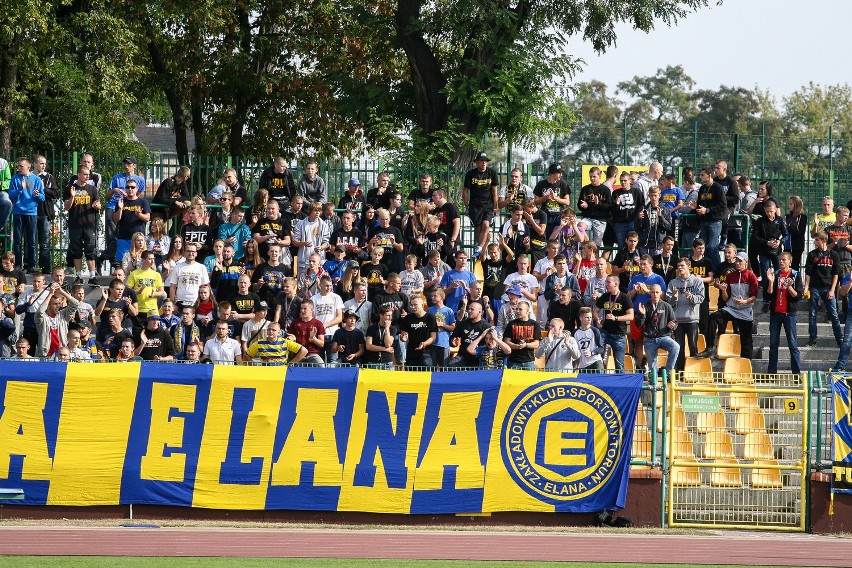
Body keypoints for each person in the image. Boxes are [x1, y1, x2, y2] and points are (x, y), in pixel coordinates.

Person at [698, 252, 758, 360]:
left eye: (740, 261)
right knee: (713, 317)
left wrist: (745, 301)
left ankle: (746, 363)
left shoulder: (751, 276)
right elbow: (725, 298)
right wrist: (724, 290)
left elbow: (754, 296)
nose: (738, 263)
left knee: (746, 341)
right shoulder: (730, 276)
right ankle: (710, 347)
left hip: (745, 310)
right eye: (737, 261)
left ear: (745, 262)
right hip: (732, 308)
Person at [803, 232, 843, 348]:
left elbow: (836, 274)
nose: (815, 242)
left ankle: (839, 339)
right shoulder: (812, 255)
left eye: (817, 240)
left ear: (823, 241)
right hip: (815, 287)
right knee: (812, 314)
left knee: (834, 314)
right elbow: (808, 273)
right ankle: (812, 340)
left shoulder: (833, 255)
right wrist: (806, 287)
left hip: (828, 287)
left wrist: (832, 290)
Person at [766, 252, 803, 374]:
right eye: (780, 260)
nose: (781, 262)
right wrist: (771, 282)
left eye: (783, 260)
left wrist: (789, 287)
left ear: (789, 261)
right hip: (775, 313)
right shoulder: (775, 274)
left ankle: (796, 375)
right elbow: (768, 295)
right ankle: (771, 374)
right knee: (773, 345)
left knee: (793, 345)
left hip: (789, 314)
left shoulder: (795, 274)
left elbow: (798, 296)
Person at [104, 157, 145, 268]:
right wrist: (114, 190)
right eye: (125, 164)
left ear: (134, 166)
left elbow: (139, 195)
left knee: (127, 235)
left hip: (128, 207)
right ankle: (111, 258)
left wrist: (130, 197)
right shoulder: (116, 178)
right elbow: (107, 197)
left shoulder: (140, 180)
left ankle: (107, 256)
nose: (126, 166)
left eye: (129, 164)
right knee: (112, 236)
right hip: (113, 207)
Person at [665, 258, 705, 371]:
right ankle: (680, 372)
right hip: (678, 320)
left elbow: (701, 298)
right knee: (679, 348)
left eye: (682, 265)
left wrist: (691, 297)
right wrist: (674, 298)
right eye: (678, 266)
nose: (680, 268)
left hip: (692, 320)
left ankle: (692, 372)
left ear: (689, 267)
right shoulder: (673, 283)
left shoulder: (697, 281)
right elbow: (669, 302)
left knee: (693, 347)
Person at [626, 255, 666, 366]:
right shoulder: (636, 278)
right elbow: (628, 296)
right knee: (638, 341)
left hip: (652, 314)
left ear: (651, 264)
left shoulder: (658, 278)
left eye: (645, 264)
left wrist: (647, 290)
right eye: (641, 264)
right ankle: (639, 366)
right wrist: (634, 290)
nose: (642, 266)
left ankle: (650, 366)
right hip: (637, 313)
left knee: (651, 342)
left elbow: (662, 297)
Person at [9, 157, 45, 272]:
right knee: (18, 241)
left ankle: (32, 265)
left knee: (31, 241)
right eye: (18, 166)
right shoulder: (15, 178)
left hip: (31, 212)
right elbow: (10, 195)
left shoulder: (36, 180)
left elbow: (42, 197)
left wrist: (37, 195)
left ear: (28, 167)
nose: (19, 168)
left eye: (21, 166)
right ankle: (19, 264)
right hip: (18, 211)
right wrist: (20, 188)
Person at [752, 198, 788, 312]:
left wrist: (779, 242)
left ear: (775, 210)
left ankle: (779, 298)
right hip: (764, 251)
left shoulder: (780, 220)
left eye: (771, 211)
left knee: (779, 274)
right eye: (767, 211)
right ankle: (766, 301)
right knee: (766, 274)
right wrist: (766, 242)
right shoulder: (760, 221)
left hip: (777, 252)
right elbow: (755, 237)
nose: (769, 214)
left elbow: (786, 235)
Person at [635, 284, 679, 376]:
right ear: (650, 293)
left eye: (657, 292)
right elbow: (639, 325)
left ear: (661, 293)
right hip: (649, 339)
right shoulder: (645, 306)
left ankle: (667, 372)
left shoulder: (666, 306)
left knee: (676, 347)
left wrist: (672, 325)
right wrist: (642, 315)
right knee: (652, 370)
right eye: (653, 292)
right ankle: (653, 383)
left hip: (664, 337)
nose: (655, 294)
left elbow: (674, 322)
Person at [463, 152, 500, 259]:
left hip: (488, 205)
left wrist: (495, 207)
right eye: (482, 161)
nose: (484, 163)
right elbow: (465, 191)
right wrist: (467, 207)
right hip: (475, 205)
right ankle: (478, 250)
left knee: (486, 225)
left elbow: (494, 191)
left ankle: (478, 248)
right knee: (478, 228)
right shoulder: (471, 174)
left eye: (485, 161)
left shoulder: (492, 173)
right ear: (477, 162)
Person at [595, 274, 633, 371]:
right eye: (606, 282)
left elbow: (631, 316)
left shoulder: (625, 298)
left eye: (608, 282)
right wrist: (597, 319)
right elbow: (595, 311)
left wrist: (616, 318)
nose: (606, 284)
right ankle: (599, 379)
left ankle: (619, 383)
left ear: (616, 284)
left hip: (619, 334)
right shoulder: (605, 296)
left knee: (619, 363)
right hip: (605, 331)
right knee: (598, 357)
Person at [112, 178, 151, 264]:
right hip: (123, 238)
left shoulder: (143, 202)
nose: (130, 189)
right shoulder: (121, 202)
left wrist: (139, 215)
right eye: (128, 187)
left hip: (138, 239)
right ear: (125, 188)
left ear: (136, 189)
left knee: (139, 262)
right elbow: (116, 219)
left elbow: (148, 218)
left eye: (132, 187)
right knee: (122, 263)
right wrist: (120, 209)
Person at [35, 283, 79, 358]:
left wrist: (62, 292)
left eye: (59, 303)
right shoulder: (42, 318)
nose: (58, 306)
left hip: (61, 355)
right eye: (55, 304)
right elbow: (40, 312)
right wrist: (50, 294)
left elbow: (75, 304)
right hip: (45, 355)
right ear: (48, 305)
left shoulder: (63, 315)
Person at [693, 167, 727, 262]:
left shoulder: (717, 188)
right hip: (704, 221)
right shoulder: (702, 188)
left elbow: (722, 205)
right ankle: (709, 268)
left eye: (703, 175)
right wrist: (695, 207)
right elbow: (700, 205)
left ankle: (717, 269)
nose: (701, 177)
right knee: (704, 248)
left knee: (712, 247)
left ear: (710, 175)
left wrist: (707, 210)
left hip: (714, 221)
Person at [32, 155, 58, 274]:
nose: (43, 166)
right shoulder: (29, 177)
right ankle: (29, 265)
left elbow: (54, 194)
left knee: (45, 242)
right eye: (41, 163)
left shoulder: (48, 177)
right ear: (34, 164)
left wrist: (44, 189)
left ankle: (45, 267)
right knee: (30, 240)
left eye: (44, 164)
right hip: (30, 212)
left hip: (44, 212)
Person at [311, 274, 344, 363]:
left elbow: (339, 317)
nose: (329, 288)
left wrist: (325, 325)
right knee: (319, 362)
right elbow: (312, 318)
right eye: (326, 285)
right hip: (319, 336)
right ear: (320, 285)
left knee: (332, 362)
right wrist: (319, 328)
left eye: (330, 285)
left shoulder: (336, 297)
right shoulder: (314, 299)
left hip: (333, 334)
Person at [577, 166, 612, 247]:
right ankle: (589, 244)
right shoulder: (585, 189)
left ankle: (593, 251)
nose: (592, 178)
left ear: (599, 176)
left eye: (594, 176)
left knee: (596, 247)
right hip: (588, 218)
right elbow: (579, 204)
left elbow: (609, 207)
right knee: (580, 226)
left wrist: (599, 203)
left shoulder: (605, 190)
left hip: (600, 220)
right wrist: (583, 206)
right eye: (590, 176)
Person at [293, 202, 331, 275]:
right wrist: (303, 243)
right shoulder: (300, 224)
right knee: (303, 283)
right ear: (310, 211)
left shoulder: (324, 225)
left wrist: (321, 247)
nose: (317, 213)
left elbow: (326, 242)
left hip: (318, 261)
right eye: (315, 210)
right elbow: (295, 242)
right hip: (304, 260)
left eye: (319, 211)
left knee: (317, 283)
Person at [827, 206, 852, 317]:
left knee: (846, 288)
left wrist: (846, 246)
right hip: (832, 262)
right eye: (844, 215)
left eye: (847, 216)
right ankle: (832, 313)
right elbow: (824, 248)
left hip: (846, 262)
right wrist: (834, 243)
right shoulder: (829, 229)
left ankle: (846, 313)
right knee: (832, 289)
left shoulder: (850, 230)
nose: (846, 217)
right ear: (837, 215)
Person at [398, 295, 437, 368]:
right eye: (411, 305)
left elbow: (433, 337)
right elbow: (403, 334)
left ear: (422, 305)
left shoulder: (430, 317)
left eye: (415, 305)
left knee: (427, 374)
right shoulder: (408, 318)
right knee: (411, 376)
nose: (413, 307)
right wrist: (403, 338)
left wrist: (424, 343)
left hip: (426, 352)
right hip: (411, 352)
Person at [635, 186, 672, 257]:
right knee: (645, 265)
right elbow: (637, 227)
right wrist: (639, 219)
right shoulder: (644, 209)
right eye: (651, 195)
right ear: (648, 195)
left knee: (657, 265)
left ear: (659, 195)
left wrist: (661, 217)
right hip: (645, 243)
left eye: (655, 195)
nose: (653, 198)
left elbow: (668, 227)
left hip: (659, 243)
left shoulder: (665, 209)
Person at [502, 301, 541, 370]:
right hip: (513, 361)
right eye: (517, 309)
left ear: (527, 311)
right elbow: (506, 341)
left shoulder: (535, 324)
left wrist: (525, 345)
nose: (517, 311)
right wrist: (516, 346)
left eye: (520, 309)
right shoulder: (511, 324)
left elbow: (536, 344)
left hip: (529, 361)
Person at [611, 175, 644, 251]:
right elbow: (612, 210)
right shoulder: (615, 193)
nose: (623, 182)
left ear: (630, 181)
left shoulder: (636, 192)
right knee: (621, 247)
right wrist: (616, 204)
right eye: (621, 181)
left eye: (625, 180)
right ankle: (622, 262)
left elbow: (642, 204)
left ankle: (634, 261)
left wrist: (639, 213)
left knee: (634, 245)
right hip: (620, 224)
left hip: (633, 222)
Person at [287, 300, 326, 364]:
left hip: (312, 354)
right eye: (301, 308)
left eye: (305, 309)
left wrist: (313, 338)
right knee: (291, 369)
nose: (302, 311)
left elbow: (321, 344)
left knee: (321, 366)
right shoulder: (295, 323)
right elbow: (290, 338)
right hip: (298, 353)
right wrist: (291, 338)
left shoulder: (318, 323)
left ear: (311, 310)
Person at [574, 307, 605, 371]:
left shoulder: (595, 330)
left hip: (595, 362)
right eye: (587, 317)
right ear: (580, 318)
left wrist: (592, 353)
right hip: (583, 365)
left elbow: (601, 348)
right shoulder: (575, 333)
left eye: (590, 317)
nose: (589, 319)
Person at [786, 196, 808, 271]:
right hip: (787, 246)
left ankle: (795, 281)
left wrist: (787, 227)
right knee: (786, 266)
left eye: (791, 204)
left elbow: (799, 232)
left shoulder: (802, 217)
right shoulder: (788, 216)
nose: (789, 206)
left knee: (794, 266)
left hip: (796, 246)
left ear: (796, 205)